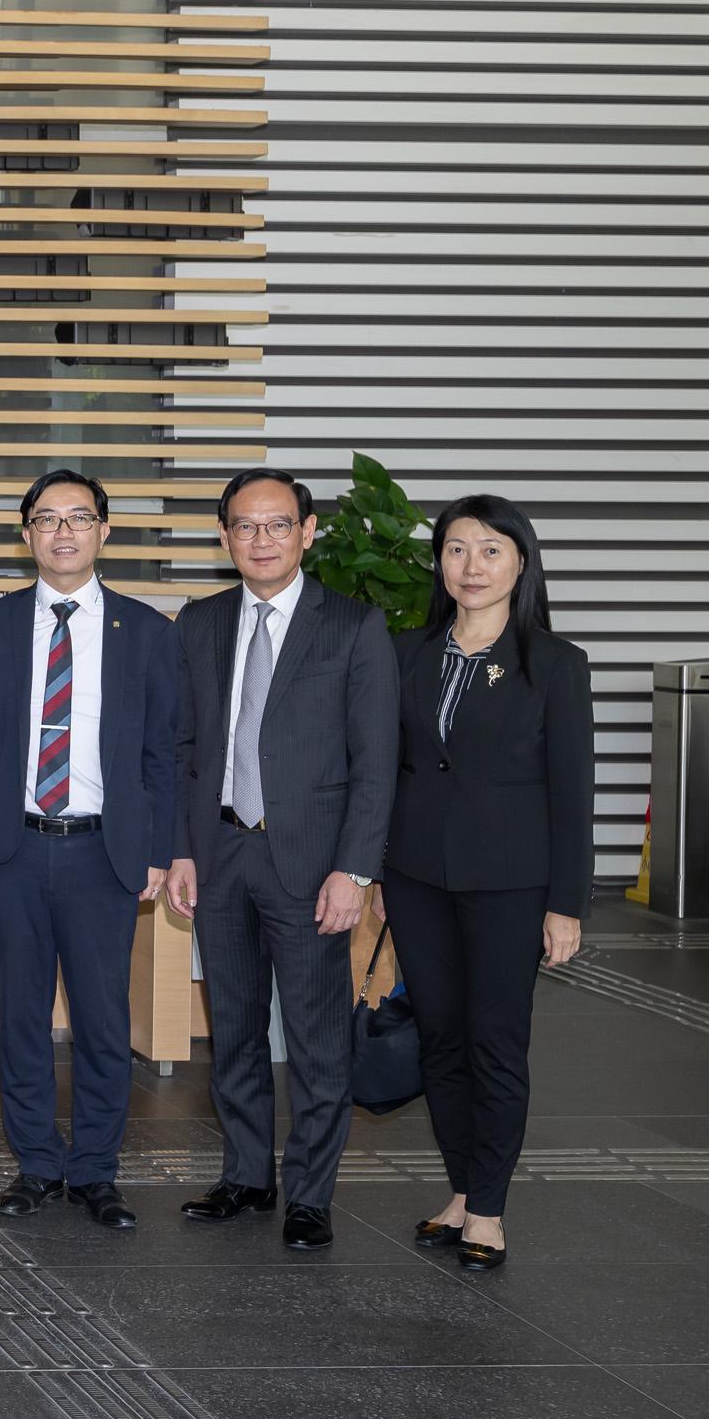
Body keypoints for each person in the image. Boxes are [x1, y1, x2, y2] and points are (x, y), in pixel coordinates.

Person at [167, 468, 397, 1253]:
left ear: (306, 532)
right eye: (243, 525)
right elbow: (185, 749)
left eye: (276, 525)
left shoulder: (353, 627)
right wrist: (182, 851)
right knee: (231, 1029)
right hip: (222, 853)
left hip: (312, 863)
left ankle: (310, 1194)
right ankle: (245, 1175)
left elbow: (375, 762)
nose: (259, 540)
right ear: (224, 535)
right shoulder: (197, 623)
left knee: (316, 1036)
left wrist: (355, 870)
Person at [0, 469, 180, 1232]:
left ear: (104, 532)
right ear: (25, 535)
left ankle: (93, 1170)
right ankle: (35, 1166)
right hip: (14, 847)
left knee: (102, 1021)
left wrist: (158, 849)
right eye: (46, 519)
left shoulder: (147, 631)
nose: (63, 532)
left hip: (102, 851)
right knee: (20, 1018)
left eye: (79, 518)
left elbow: (161, 754)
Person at [386, 495, 592, 1272]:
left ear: (521, 562)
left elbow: (572, 793)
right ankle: (462, 1189)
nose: (471, 566)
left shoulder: (555, 664)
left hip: (511, 883)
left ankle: (491, 1209)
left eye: (490, 550)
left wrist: (566, 904)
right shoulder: (408, 652)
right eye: (456, 549)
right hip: (416, 875)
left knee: (496, 1043)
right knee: (439, 1039)